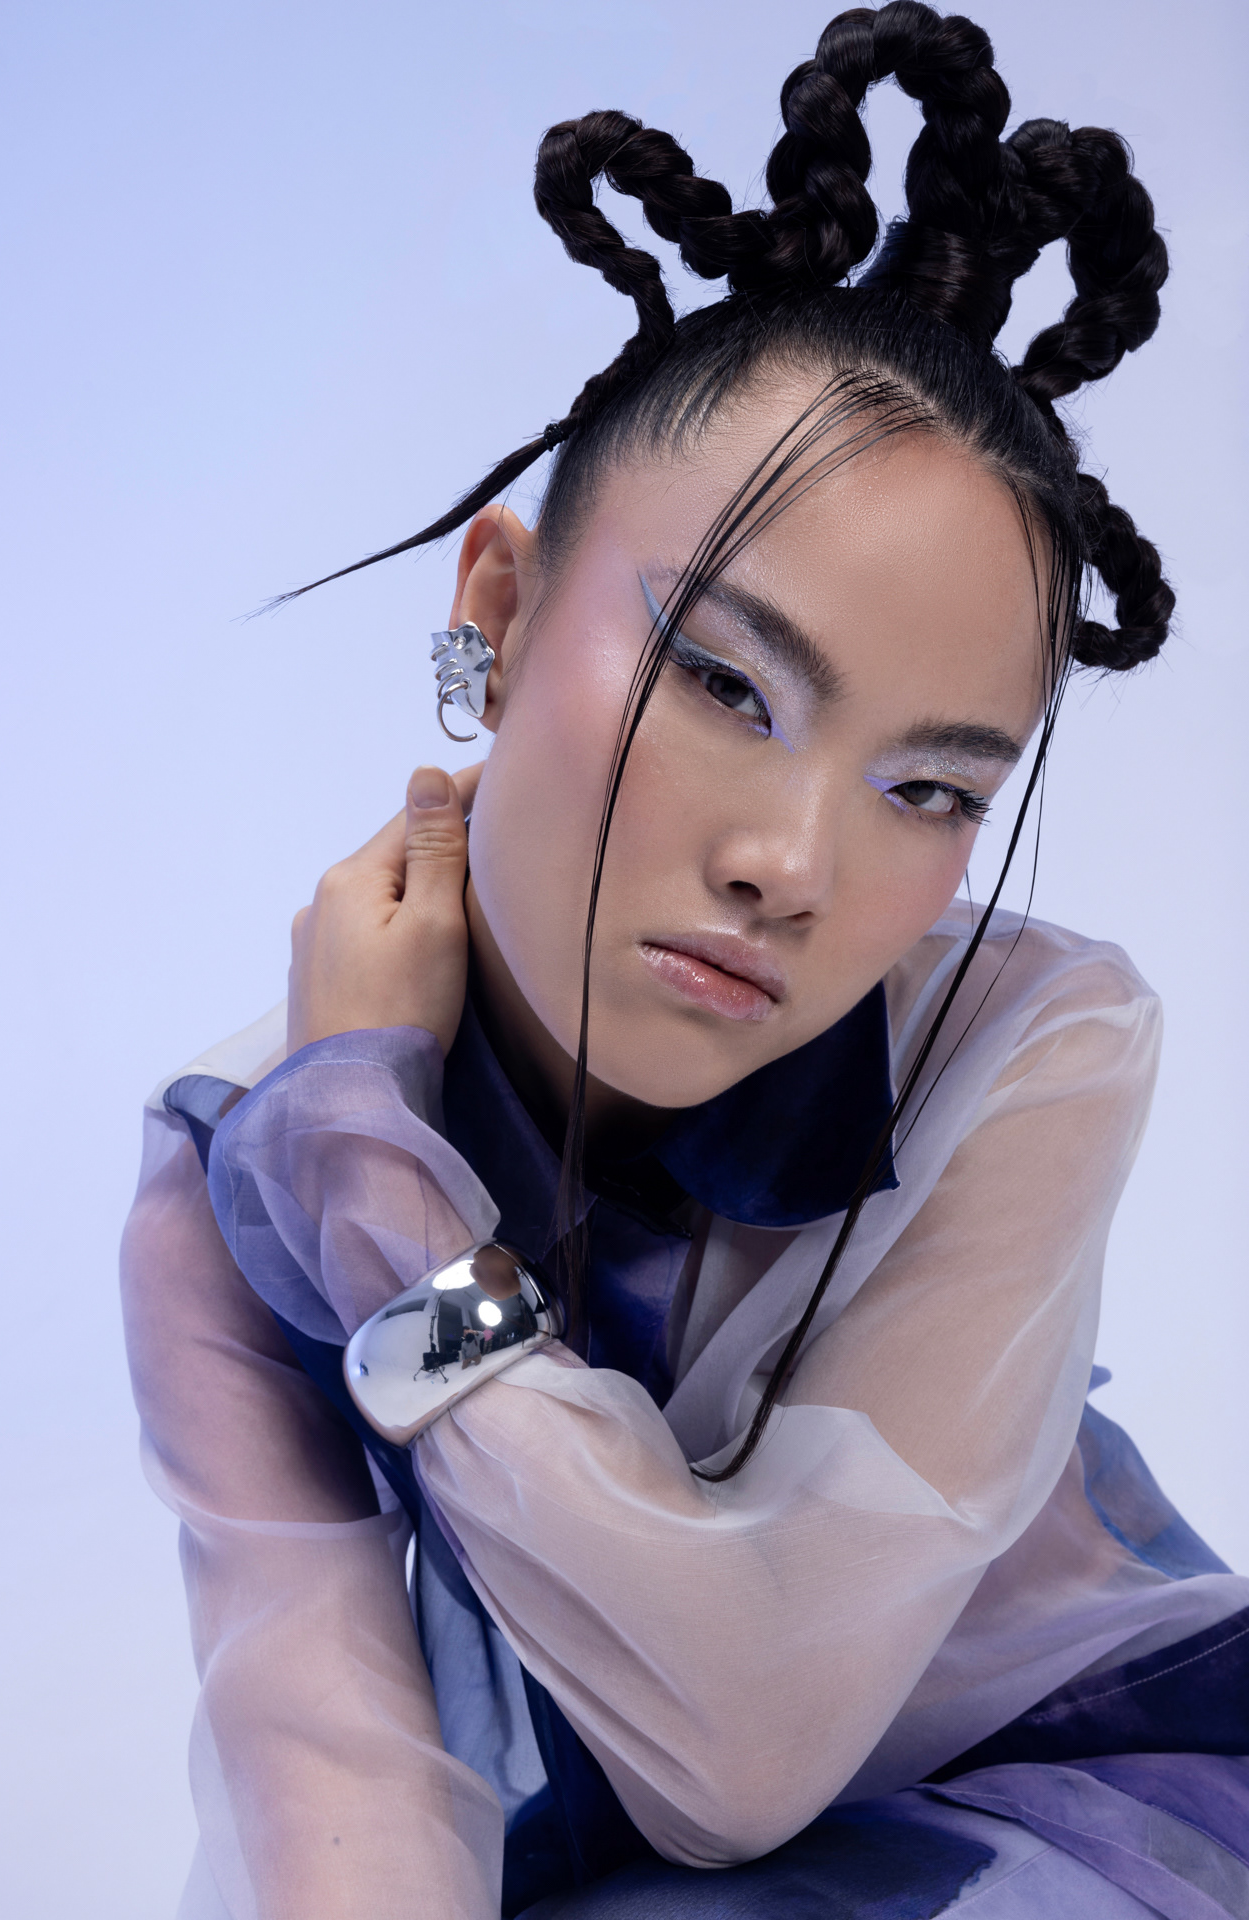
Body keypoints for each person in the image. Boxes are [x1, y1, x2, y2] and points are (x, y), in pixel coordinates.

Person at [120, 5, 1249, 1914]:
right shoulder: (237, 1170)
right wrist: (331, 1136)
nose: (790, 867)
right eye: (727, 684)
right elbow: (332, 1775)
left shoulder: (1029, 1043)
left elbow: (744, 1747)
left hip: (1084, 1817)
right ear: (499, 605)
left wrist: (389, 1206)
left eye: (928, 790)